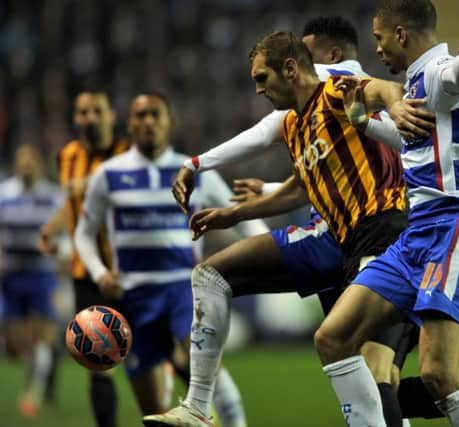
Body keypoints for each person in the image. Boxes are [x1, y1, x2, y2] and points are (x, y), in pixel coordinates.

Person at [148, 18, 459, 427]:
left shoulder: (340, 87)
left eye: (307, 55)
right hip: (346, 238)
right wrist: (236, 211)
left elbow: (385, 91)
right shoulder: (298, 121)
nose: (258, 89)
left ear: (319, 59)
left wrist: (196, 163)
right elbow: (307, 184)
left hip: (387, 229)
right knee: (360, 361)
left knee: (392, 375)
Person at [311, 1, 459, 426]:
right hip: (416, 236)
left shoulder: (438, 70)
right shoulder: (415, 82)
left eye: (380, 39)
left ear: (401, 34)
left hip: (455, 226)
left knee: (438, 374)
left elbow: (451, 84)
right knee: (333, 337)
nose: (377, 49)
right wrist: (361, 119)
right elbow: (410, 138)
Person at [75, 92, 264, 426]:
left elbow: (243, 215)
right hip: (132, 297)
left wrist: (269, 248)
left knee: (212, 374)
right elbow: (84, 233)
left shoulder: (197, 173)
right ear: (130, 123)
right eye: (141, 115)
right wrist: (99, 273)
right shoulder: (108, 174)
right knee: (154, 409)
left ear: (169, 122)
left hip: (183, 289)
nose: (148, 122)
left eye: (155, 115)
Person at [38, 90, 129, 427]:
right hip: (86, 273)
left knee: (157, 356)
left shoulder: (128, 153)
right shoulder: (66, 156)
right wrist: (53, 228)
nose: (89, 118)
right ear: (75, 118)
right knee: (97, 361)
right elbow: (73, 206)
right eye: (82, 112)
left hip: (130, 270)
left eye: (96, 111)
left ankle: (203, 411)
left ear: (111, 116)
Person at [0, 144, 64, 417]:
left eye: (31, 162)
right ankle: (38, 378)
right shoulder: (4, 194)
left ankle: (35, 392)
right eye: (21, 162)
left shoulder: (52, 196)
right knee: (16, 337)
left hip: (40, 272)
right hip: (11, 273)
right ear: (16, 165)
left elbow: (66, 233)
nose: (26, 167)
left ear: (38, 165)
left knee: (42, 333)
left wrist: (59, 252)